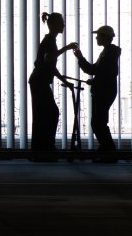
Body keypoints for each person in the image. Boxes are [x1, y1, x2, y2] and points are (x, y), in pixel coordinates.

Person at [29, 12, 77, 152]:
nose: (63, 24)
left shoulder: (51, 40)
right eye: (61, 22)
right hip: (39, 82)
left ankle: (43, 146)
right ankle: (45, 147)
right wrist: (66, 48)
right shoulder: (49, 40)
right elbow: (48, 59)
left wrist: (64, 81)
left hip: (39, 81)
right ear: (53, 25)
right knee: (49, 113)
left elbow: (51, 66)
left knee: (46, 114)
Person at [73, 25, 121, 157]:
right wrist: (81, 58)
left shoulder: (109, 53)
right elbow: (98, 71)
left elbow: (102, 72)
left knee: (98, 122)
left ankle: (108, 151)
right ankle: (106, 149)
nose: (96, 37)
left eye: (98, 35)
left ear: (105, 37)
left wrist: (81, 59)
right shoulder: (107, 52)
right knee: (99, 122)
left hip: (104, 91)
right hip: (104, 90)